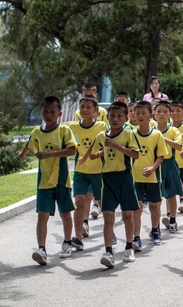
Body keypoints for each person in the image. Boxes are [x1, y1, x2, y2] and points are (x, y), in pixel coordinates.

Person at [17, 96, 77, 266]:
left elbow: (72, 151)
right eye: (45, 111)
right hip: (44, 181)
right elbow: (31, 143)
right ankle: (41, 249)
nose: (48, 115)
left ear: (59, 113)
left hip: (61, 180)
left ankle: (67, 243)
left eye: (52, 112)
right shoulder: (37, 132)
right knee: (42, 215)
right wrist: (22, 154)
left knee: (65, 213)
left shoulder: (64, 131)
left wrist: (49, 154)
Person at [84, 101, 141, 268]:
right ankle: (108, 251)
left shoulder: (129, 134)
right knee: (108, 217)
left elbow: (135, 154)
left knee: (127, 216)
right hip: (107, 179)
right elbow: (96, 149)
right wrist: (95, 155)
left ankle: (129, 247)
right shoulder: (101, 136)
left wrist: (116, 146)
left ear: (126, 118)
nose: (115, 119)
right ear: (107, 117)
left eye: (119, 116)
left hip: (125, 178)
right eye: (112, 116)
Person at [69, 96, 109, 251]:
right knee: (79, 202)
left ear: (96, 112)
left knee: (105, 205)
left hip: (99, 172)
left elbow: (108, 146)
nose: (84, 110)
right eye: (82, 107)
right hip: (80, 171)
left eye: (88, 107)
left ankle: (109, 232)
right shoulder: (72, 127)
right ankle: (77, 238)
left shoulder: (102, 126)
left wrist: (98, 154)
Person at [132, 100, 168, 246]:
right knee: (137, 207)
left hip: (153, 177)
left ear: (151, 115)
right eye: (137, 113)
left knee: (154, 206)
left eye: (143, 113)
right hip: (135, 177)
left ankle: (155, 230)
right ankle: (135, 236)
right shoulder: (131, 134)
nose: (140, 116)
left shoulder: (157, 134)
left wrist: (153, 168)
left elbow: (161, 155)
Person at [154, 101, 183, 233]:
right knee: (156, 198)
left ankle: (172, 219)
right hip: (155, 164)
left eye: (165, 112)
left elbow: (178, 146)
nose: (162, 114)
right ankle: (155, 226)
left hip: (170, 164)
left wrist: (163, 138)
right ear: (154, 114)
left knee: (171, 196)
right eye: (159, 111)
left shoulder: (173, 130)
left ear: (170, 114)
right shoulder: (150, 129)